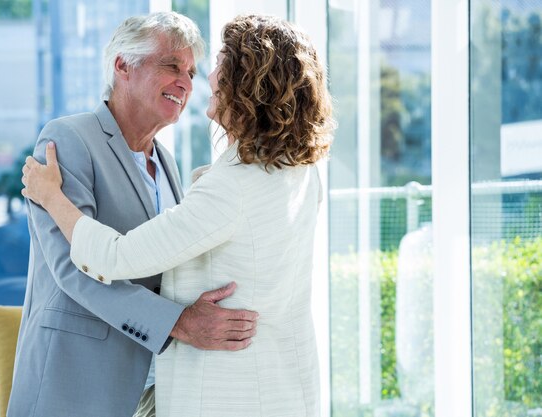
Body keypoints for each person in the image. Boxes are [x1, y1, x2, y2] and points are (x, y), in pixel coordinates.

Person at [22, 14, 334, 417]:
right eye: (172, 66)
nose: (188, 82)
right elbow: (73, 267)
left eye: (192, 70)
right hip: (84, 385)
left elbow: (147, 259)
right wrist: (178, 322)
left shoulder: (177, 166)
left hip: (161, 387)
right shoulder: (68, 140)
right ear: (123, 65)